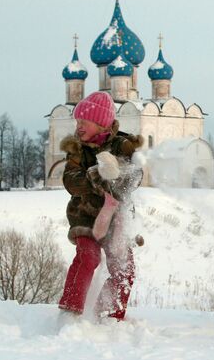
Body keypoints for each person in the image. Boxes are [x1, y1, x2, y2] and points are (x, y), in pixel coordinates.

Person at [58, 91, 143, 321]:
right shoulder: (76, 149)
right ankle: (70, 312)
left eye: (83, 121)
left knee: (124, 269)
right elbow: (71, 182)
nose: (79, 126)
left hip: (116, 219)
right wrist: (97, 175)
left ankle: (108, 315)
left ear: (100, 122)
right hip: (85, 216)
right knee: (88, 257)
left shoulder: (123, 145)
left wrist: (118, 174)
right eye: (77, 121)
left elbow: (137, 176)